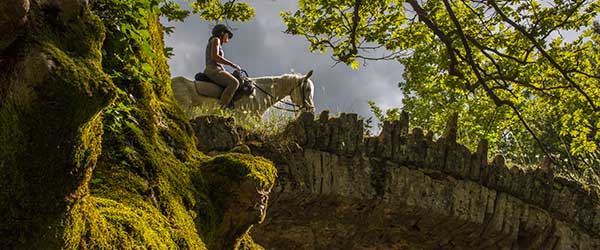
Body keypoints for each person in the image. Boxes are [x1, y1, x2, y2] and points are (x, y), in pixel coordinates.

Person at [204, 24, 241, 108]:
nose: (228, 38)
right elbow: (215, 57)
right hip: (213, 70)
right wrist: (233, 65)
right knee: (234, 83)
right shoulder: (216, 40)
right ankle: (222, 108)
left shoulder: (216, 42)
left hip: (216, 69)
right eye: (228, 35)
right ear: (222, 33)